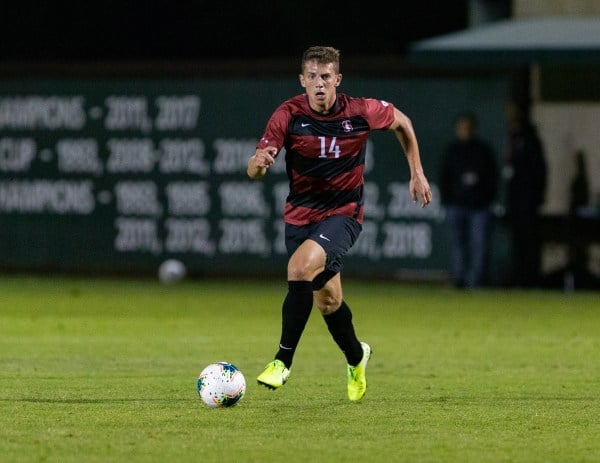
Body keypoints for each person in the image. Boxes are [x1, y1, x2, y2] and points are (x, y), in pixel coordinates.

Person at [247, 46, 432, 402]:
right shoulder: (288, 114)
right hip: (300, 216)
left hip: (343, 214)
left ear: (338, 80)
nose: (319, 85)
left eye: (326, 77)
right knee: (328, 301)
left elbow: (402, 122)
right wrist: (258, 162)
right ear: (302, 80)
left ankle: (282, 361)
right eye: (312, 77)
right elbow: (254, 169)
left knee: (299, 268)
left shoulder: (360, 111)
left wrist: (417, 172)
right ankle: (356, 356)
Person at [440, 112, 498, 288]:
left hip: (479, 206)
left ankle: (477, 282)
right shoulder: (452, 151)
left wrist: (486, 198)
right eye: (462, 127)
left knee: (479, 245)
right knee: (459, 244)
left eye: (468, 127)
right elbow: (444, 177)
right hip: (457, 205)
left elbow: (492, 177)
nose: (465, 131)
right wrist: (448, 199)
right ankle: (459, 279)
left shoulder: (483, 150)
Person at [503, 100, 547, 287]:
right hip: (514, 200)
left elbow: (540, 169)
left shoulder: (529, 137)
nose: (509, 114)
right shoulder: (511, 136)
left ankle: (531, 280)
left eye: (513, 111)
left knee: (529, 242)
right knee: (518, 242)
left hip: (528, 200)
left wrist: (537, 195)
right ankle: (519, 279)